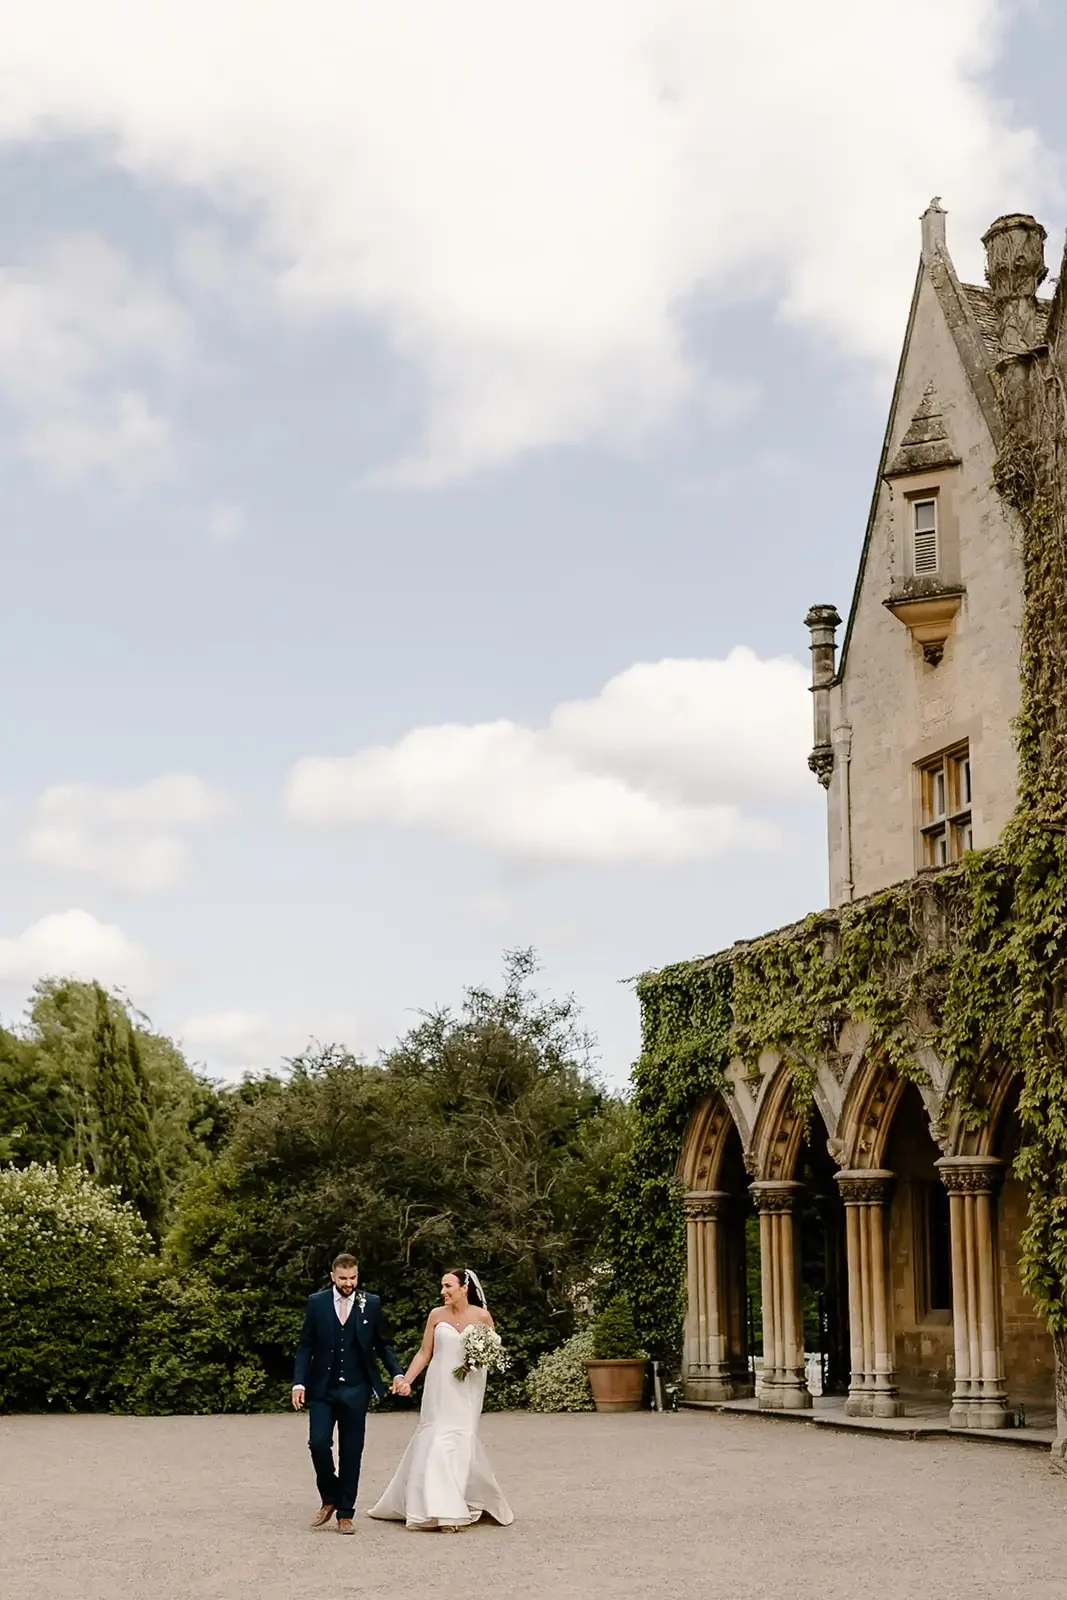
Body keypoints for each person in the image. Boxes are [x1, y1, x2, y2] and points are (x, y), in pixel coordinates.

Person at [369, 1267, 514, 1532]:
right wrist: (406, 1380)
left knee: (460, 1443)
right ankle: (443, 1512)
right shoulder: (436, 1316)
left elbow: (494, 1354)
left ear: (464, 1288)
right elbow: (425, 1353)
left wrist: (475, 1361)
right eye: (442, 1286)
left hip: (467, 1391)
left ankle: (453, 1505)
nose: (443, 1291)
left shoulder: (482, 1317)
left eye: (448, 1286)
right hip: (439, 1389)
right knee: (436, 1440)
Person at [292, 1253, 409, 1534]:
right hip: (322, 1388)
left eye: (353, 1278)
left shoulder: (371, 1303)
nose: (349, 1283)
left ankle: (345, 1513)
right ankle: (329, 1496)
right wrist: (299, 1383)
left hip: (357, 1389)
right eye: (343, 1278)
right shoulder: (316, 1303)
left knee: (351, 1452)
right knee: (318, 1443)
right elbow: (305, 1345)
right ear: (333, 1276)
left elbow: (383, 1344)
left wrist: (397, 1373)